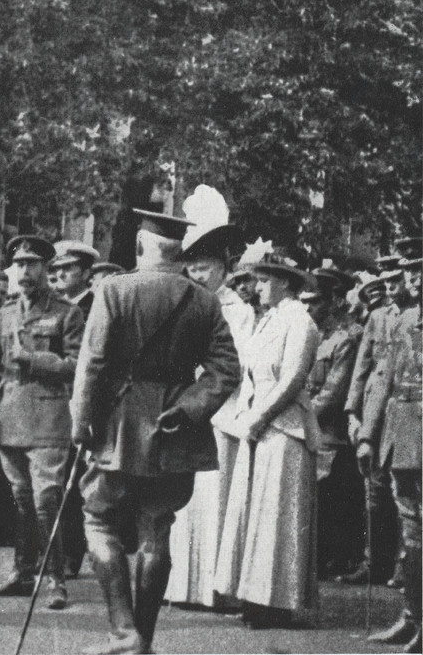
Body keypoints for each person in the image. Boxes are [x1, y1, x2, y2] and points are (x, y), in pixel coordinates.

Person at [70, 209, 239, 654]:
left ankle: (123, 633)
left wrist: (80, 423)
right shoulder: (203, 300)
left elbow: (93, 364)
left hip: (119, 426)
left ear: (142, 246)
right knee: (156, 528)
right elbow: (226, 370)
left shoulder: (114, 289)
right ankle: (143, 640)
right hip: (173, 431)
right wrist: (189, 408)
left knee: (99, 519)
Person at [0, 235, 83, 611]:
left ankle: (55, 580)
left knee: (47, 499)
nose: (25, 271)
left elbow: (78, 367)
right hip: (10, 416)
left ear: (47, 269)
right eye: (20, 265)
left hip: (49, 417)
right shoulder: (5, 314)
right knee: (21, 501)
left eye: (33, 264)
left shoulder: (68, 313)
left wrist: (32, 358)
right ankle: (22, 572)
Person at [214, 251, 321, 629]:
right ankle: (254, 597)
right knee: (254, 514)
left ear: (285, 283)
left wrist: (260, 418)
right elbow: (250, 376)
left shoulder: (300, 322)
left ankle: (278, 602)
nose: (256, 287)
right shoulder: (267, 321)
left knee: (277, 516)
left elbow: (292, 379)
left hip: (285, 429)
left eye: (263, 281)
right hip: (258, 428)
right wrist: (249, 417)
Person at [165, 186, 252, 610]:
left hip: (223, 411)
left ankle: (215, 588)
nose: (199, 276)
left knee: (215, 496)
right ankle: (183, 584)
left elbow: (234, 366)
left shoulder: (236, 310)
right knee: (187, 499)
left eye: (206, 268)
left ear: (222, 268)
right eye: (193, 268)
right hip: (192, 407)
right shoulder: (190, 306)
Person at [339, 254, 413, 585]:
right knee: (374, 490)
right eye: (387, 281)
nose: (391, 287)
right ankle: (374, 561)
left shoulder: (412, 318)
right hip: (374, 410)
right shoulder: (378, 317)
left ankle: (403, 564)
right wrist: (353, 414)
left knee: (404, 491)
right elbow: (361, 369)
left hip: (405, 408)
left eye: (397, 279)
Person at [366, 252, 421, 651]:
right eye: (412, 272)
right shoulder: (402, 319)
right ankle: (413, 616)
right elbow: (384, 379)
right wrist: (371, 431)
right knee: (411, 527)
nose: (414, 279)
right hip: (402, 430)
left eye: (421, 271)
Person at [301, 268, 362, 577]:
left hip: (331, 434)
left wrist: (300, 417)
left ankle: (334, 559)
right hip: (309, 428)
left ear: (336, 301)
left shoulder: (348, 338)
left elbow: (333, 394)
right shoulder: (313, 334)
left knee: (332, 501)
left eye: (314, 302)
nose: (307, 308)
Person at [48, 240, 100, 578]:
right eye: (57, 269)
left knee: (76, 479)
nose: (61, 274)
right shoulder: (54, 308)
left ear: (85, 273)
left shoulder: (97, 305)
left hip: (82, 401)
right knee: (54, 478)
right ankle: (55, 553)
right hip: (52, 403)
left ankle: (73, 554)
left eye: (68, 268)